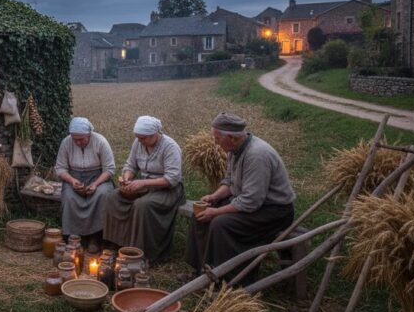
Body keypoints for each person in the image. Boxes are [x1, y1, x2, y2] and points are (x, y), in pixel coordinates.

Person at [186, 112, 296, 283]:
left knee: (220, 223)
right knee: (200, 215)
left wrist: (216, 212)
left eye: (217, 138)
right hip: (252, 204)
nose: (215, 142)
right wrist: (214, 197)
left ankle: (226, 279)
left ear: (231, 137)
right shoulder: (234, 149)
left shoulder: (257, 155)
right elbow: (230, 181)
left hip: (274, 211)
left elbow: (251, 201)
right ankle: (201, 270)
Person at [101, 116, 185, 264]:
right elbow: (131, 165)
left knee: (142, 206)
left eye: (143, 138)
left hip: (167, 190)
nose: (140, 141)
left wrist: (143, 183)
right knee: (112, 198)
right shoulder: (139, 142)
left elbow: (172, 179)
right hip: (145, 186)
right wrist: (127, 177)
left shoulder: (170, 147)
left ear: (155, 134)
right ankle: (117, 245)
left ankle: (143, 254)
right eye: (138, 137)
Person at [54, 117, 115, 251]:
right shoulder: (66, 143)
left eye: (81, 139)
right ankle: (74, 238)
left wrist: (95, 184)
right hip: (74, 178)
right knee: (70, 197)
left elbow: (109, 169)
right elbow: (60, 168)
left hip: (99, 178)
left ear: (89, 134)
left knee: (102, 195)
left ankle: (96, 237)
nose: (78, 142)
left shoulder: (100, 142)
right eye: (75, 139)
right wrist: (72, 181)